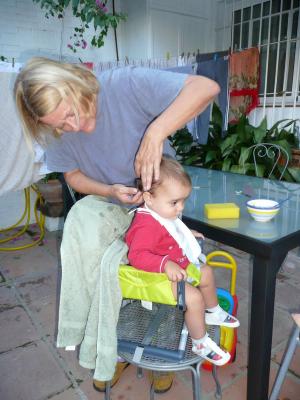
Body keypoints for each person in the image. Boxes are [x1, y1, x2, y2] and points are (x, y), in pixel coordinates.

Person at [14, 57, 220, 393]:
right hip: (116, 207)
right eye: (60, 125)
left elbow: (206, 88)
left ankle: (164, 351)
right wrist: (110, 190)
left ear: (74, 82)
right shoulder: (57, 128)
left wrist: (155, 133)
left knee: (167, 275)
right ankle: (117, 345)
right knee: (111, 275)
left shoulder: (124, 85)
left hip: (160, 206)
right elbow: (73, 176)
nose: (72, 127)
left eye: (70, 113)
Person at [125, 157, 240, 365]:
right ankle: (200, 341)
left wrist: (187, 233)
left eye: (183, 201)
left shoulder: (161, 211)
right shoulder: (146, 224)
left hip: (174, 268)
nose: (180, 208)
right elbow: (137, 255)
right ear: (149, 198)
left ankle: (212, 311)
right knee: (194, 298)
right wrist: (165, 264)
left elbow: (172, 230)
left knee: (205, 272)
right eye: (175, 202)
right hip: (154, 277)